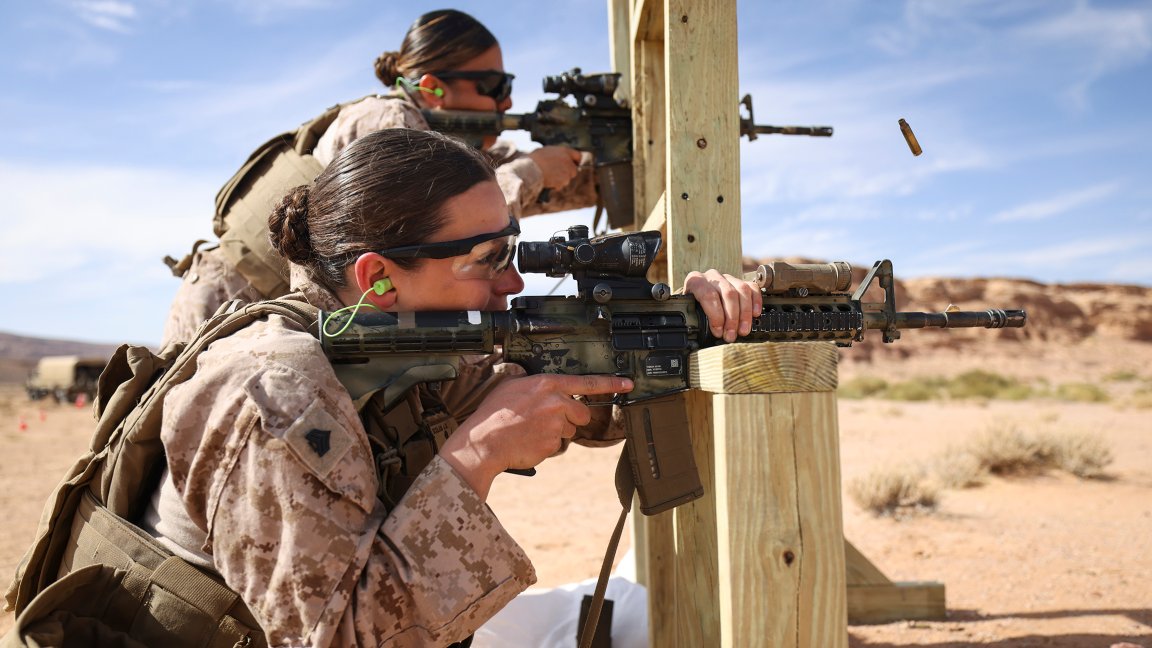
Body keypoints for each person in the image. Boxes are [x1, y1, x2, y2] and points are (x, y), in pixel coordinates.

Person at [139, 128, 761, 646]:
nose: (513, 283)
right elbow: (332, 638)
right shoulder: (275, 393)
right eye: (487, 258)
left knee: (632, 614)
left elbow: (586, 394)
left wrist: (691, 323)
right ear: (378, 277)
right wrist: (477, 457)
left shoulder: (408, 340)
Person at [161, 8, 595, 348]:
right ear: (432, 87)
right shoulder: (384, 121)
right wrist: (532, 170)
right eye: (494, 86)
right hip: (229, 300)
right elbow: (429, 222)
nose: (508, 101)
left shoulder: (433, 140)